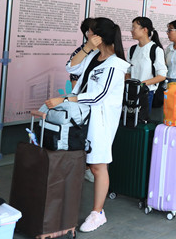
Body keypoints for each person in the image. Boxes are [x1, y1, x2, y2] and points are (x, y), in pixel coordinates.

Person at [46, 17, 129, 232]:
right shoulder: (92, 55)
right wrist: (86, 48)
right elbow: (70, 66)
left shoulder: (116, 65)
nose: (87, 36)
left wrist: (64, 100)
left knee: (98, 165)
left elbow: (97, 96)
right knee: (78, 161)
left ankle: (97, 213)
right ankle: (67, 205)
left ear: (100, 35)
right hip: (80, 116)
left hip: (99, 121)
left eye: (90, 33)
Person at [126, 17, 167, 112]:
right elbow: (127, 71)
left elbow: (162, 76)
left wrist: (141, 84)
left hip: (146, 93)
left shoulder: (156, 50)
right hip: (131, 93)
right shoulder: (132, 49)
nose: (132, 31)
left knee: (141, 121)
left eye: (134, 27)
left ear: (145, 30)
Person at [68, 18, 96, 88]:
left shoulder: (104, 51)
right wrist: (76, 97)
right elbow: (74, 79)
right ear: (87, 34)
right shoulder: (79, 53)